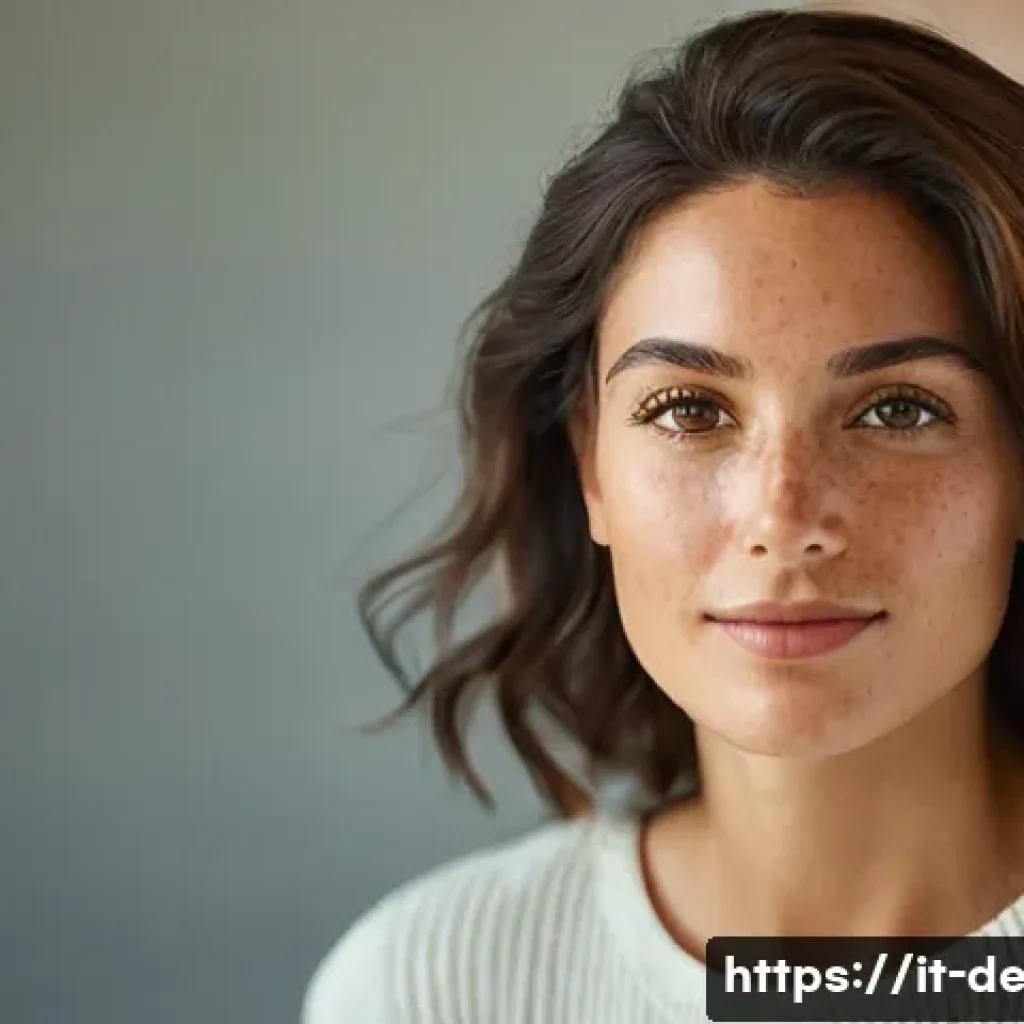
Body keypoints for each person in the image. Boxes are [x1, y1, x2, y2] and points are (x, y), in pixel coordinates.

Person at [303, 6, 1024, 1022]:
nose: (781, 516)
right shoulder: (430, 988)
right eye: (689, 409)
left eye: (897, 409)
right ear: (590, 465)